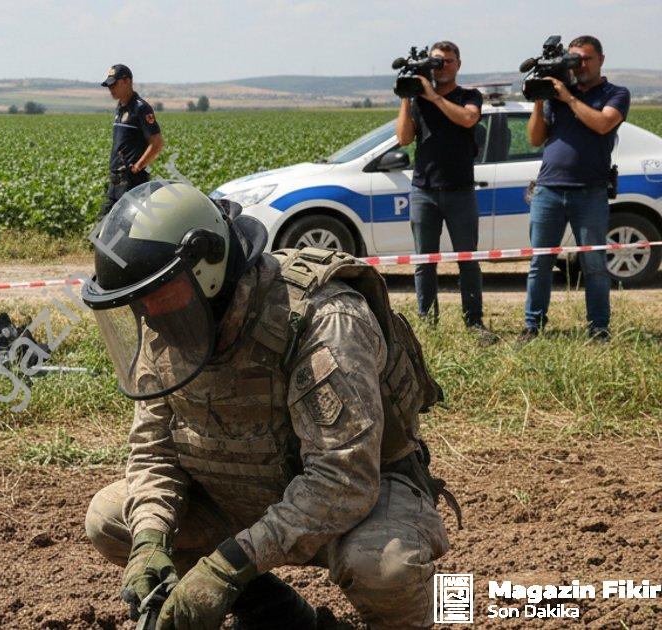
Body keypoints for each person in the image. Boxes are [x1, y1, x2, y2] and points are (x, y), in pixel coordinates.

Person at [82, 181, 454, 629]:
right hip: (243, 492)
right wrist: (149, 541)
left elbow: (344, 478)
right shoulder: (171, 318)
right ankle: (278, 614)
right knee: (112, 518)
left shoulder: (323, 318)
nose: (148, 315)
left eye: (156, 296)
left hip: (356, 500)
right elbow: (154, 451)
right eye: (138, 303)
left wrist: (227, 567)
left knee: (382, 566)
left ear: (206, 268)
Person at [521, 35, 630, 343]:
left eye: (586, 59)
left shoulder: (615, 93)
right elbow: (534, 138)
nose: (580, 65)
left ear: (601, 60)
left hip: (590, 191)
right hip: (548, 191)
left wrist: (568, 98)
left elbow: (602, 124)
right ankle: (533, 326)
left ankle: (598, 329)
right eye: (574, 60)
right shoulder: (556, 96)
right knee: (539, 262)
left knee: (594, 264)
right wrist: (541, 97)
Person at [395, 41, 493, 341]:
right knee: (425, 262)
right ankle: (427, 323)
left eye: (448, 61)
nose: (443, 67)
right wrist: (407, 96)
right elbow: (403, 138)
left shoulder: (469, 96)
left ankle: (474, 322)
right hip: (424, 190)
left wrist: (433, 96)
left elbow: (467, 118)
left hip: (460, 190)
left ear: (458, 64)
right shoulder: (418, 100)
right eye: (437, 62)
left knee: (468, 260)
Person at [99, 64, 163, 220]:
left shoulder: (141, 108)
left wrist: (138, 167)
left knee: (124, 225)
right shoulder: (120, 107)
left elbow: (157, 143)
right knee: (104, 222)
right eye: (108, 85)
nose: (110, 89)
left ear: (127, 81)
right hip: (116, 178)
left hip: (131, 180)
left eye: (114, 84)